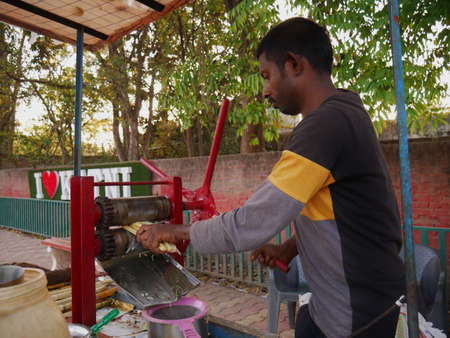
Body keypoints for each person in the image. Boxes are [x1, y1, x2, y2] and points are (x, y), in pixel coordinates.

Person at [137, 17, 405, 338]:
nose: (265, 91)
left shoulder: (325, 126)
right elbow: (343, 213)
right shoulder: (347, 113)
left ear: (293, 64)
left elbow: (251, 223)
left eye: (266, 76)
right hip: (348, 304)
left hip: (355, 318)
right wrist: (288, 249)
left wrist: (173, 231)